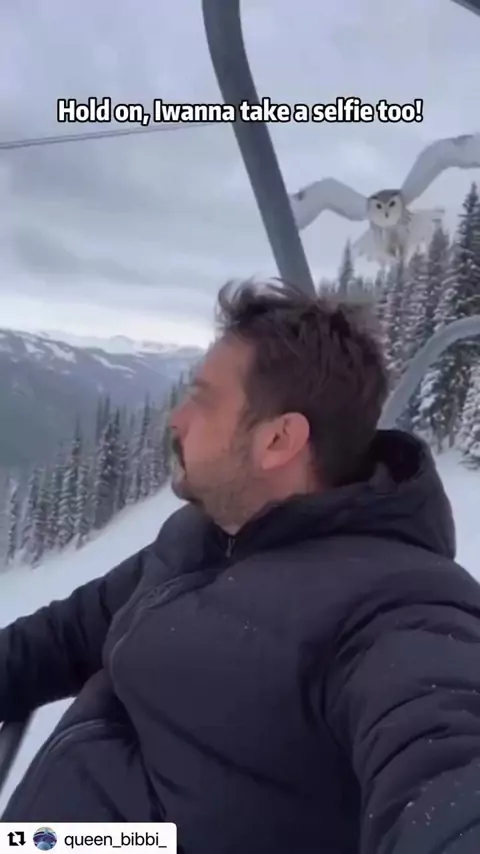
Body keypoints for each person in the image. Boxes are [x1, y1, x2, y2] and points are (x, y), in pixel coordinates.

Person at [1, 279, 480, 854]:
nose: (176, 419)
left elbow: (448, 765)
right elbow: (65, 633)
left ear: (278, 439)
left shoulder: (398, 607)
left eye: (201, 400)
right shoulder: (203, 533)